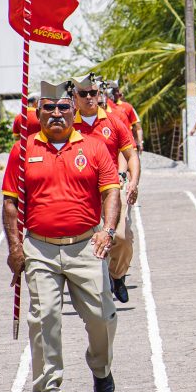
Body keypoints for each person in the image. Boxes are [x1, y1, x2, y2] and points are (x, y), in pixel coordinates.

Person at [1, 79, 122, 392]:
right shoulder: (23, 151)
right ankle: (49, 390)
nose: (56, 113)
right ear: (37, 112)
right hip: (40, 248)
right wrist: (15, 248)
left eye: (63, 107)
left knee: (102, 317)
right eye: (49, 108)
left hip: (87, 245)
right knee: (45, 318)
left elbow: (111, 191)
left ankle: (100, 368)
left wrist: (108, 231)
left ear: (74, 111)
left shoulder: (95, 146)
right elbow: (11, 203)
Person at [71, 74, 140, 305]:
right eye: (84, 94)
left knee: (121, 237)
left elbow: (131, 155)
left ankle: (117, 275)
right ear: (75, 97)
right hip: (80, 191)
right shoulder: (68, 125)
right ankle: (93, 284)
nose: (89, 97)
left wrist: (133, 182)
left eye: (93, 93)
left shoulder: (114, 122)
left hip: (111, 187)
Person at [105, 80, 143, 153]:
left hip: (128, 145)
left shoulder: (127, 106)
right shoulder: (103, 108)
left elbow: (137, 127)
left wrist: (139, 142)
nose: (118, 93)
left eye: (117, 91)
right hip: (112, 148)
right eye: (115, 91)